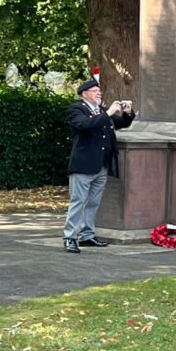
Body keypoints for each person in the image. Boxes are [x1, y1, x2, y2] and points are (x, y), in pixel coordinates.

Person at [63, 79, 135, 253]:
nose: (99, 93)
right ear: (84, 93)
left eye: (99, 90)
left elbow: (122, 123)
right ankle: (70, 237)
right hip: (83, 165)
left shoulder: (101, 112)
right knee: (78, 201)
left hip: (101, 166)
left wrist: (128, 112)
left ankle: (87, 235)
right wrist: (109, 112)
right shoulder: (76, 109)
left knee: (93, 202)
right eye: (95, 90)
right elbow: (86, 125)